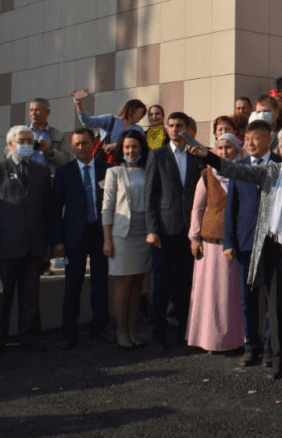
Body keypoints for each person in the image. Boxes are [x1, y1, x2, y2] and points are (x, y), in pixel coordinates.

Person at [197, 124, 282, 379]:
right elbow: (235, 169)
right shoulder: (270, 171)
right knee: (278, 306)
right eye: (281, 147)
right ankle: (280, 360)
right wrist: (208, 157)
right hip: (277, 250)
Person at [0, 126, 53, 359]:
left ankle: (28, 336)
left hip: (33, 247)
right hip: (5, 248)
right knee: (3, 297)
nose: (27, 144)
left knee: (30, 296)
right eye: (22, 140)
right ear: (10, 144)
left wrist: (48, 246)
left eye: (31, 141)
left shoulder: (42, 172)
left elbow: (47, 211)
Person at [144, 112, 206, 353]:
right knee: (161, 285)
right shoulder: (157, 155)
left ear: (188, 128)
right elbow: (149, 195)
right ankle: (158, 335)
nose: (174, 129)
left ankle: (184, 333)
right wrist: (152, 229)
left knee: (185, 285)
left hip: (189, 230)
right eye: (170, 125)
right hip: (164, 230)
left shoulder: (196, 155)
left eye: (179, 125)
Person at [222, 119, 277, 366]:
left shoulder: (281, 165)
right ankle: (251, 346)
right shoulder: (239, 167)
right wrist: (229, 242)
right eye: (247, 138)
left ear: (268, 139)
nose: (250, 143)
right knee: (248, 298)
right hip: (245, 242)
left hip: (274, 242)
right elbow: (231, 208)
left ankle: (269, 347)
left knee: (272, 299)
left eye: (256, 137)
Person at [50, 128, 111, 349]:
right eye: (76, 144)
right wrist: (57, 241)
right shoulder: (64, 172)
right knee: (72, 284)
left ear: (93, 144)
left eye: (84, 143)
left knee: (100, 283)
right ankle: (69, 332)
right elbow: (55, 210)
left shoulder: (107, 170)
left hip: (100, 233)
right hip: (73, 236)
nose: (80, 147)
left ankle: (100, 328)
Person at [187, 132, 244, 353]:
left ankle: (236, 340)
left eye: (228, 147)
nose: (223, 152)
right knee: (211, 295)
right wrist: (195, 236)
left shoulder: (244, 173)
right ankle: (212, 342)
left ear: (238, 149)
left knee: (233, 295)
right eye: (219, 148)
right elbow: (197, 207)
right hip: (211, 241)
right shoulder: (207, 174)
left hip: (237, 241)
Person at [102, 129, 153, 349]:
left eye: (134, 146)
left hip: (144, 232)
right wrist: (107, 239)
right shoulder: (114, 172)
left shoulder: (147, 170)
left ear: (141, 147)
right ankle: (121, 331)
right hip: (122, 234)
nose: (131, 151)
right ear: (121, 149)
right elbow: (107, 207)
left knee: (137, 283)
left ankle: (132, 330)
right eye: (127, 147)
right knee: (123, 281)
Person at [74, 96, 147, 155]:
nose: (142, 116)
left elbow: (140, 147)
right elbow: (87, 121)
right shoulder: (110, 120)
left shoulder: (138, 129)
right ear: (132, 110)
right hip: (106, 160)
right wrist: (79, 105)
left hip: (126, 164)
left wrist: (116, 146)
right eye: (141, 112)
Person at [27, 98, 72, 172]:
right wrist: (22, 148)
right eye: (31, 110)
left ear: (47, 112)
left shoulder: (58, 135)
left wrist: (49, 152)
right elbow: (7, 152)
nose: (33, 113)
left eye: (37, 110)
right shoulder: (21, 132)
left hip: (48, 179)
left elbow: (66, 159)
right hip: (27, 178)